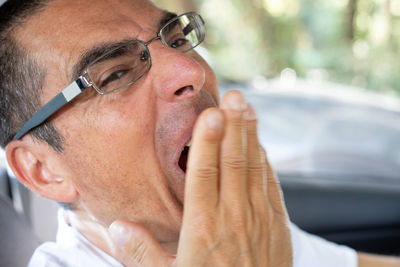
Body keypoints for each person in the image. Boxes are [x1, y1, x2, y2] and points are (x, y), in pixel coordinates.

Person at [0, 0, 398, 266]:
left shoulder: (230, 227)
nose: (192, 70)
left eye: (176, 40)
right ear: (42, 169)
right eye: (115, 73)